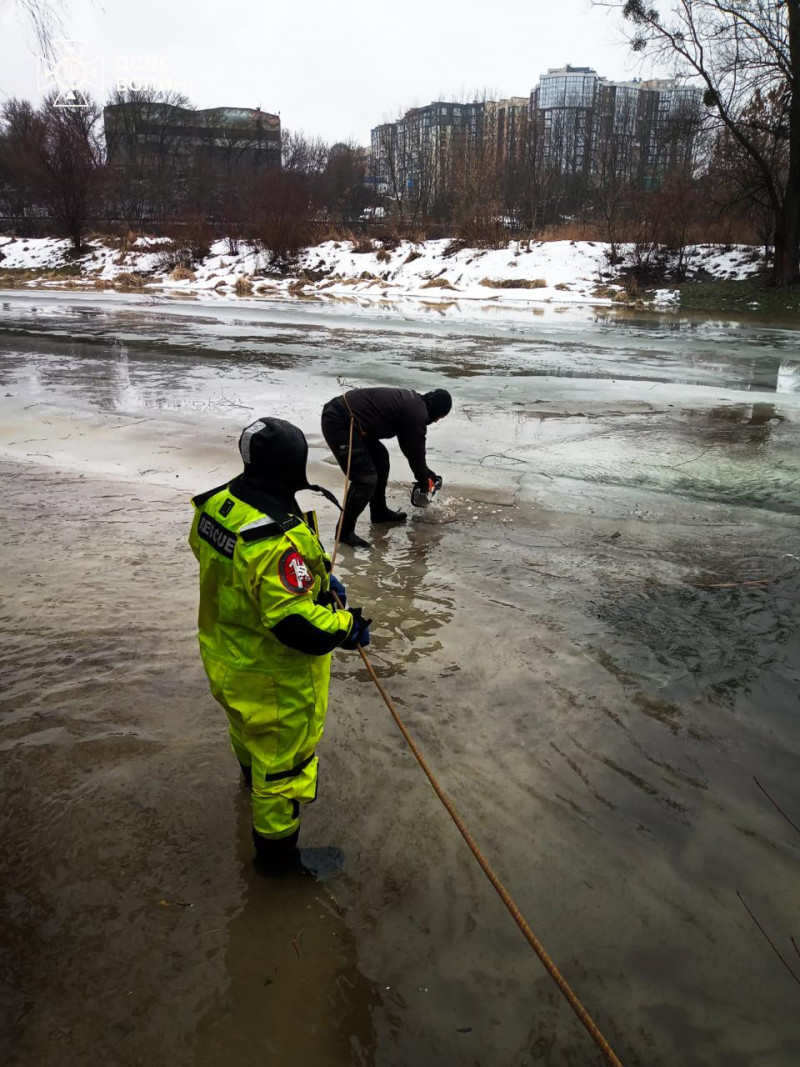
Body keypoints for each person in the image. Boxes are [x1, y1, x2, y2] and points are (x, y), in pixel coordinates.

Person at [188, 417, 371, 870]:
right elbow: (295, 626)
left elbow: (226, 567)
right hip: (273, 678)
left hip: (225, 655)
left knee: (247, 733)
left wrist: (314, 579)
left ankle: (253, 780)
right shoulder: (274, 540)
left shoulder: (218, 506)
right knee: (284, 765)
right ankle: (277, 860)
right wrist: (345, 627)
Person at [321, 386, 452, 548]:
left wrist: (425, 474)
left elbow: (411, 449)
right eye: (440, 417)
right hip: (339, 421)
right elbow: (415, 454)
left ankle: (379, 512)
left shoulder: (414, 404)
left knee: (381, 459)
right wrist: (425, 479)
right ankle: (344, 532)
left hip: (350, 421)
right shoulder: (416, 414)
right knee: (365, 479)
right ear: (439, 414)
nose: (437, 421)